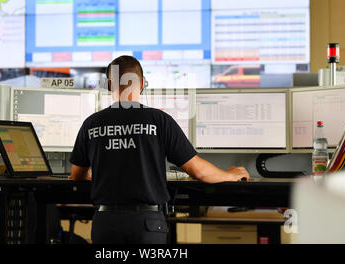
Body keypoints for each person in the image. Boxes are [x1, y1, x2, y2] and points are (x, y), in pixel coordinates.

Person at [69, 55, 250, 244]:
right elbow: (198, 171)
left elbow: (76, 175)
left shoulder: (91, 124)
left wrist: (97, 173)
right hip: (147, 224)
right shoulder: (159, 121)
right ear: (142, 85)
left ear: (108, 85)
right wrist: (229, 174)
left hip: (106, 223)